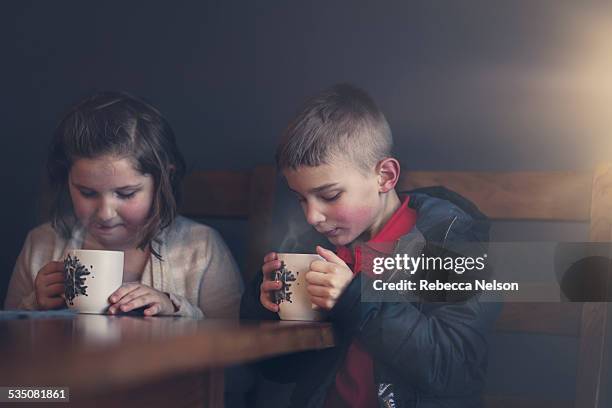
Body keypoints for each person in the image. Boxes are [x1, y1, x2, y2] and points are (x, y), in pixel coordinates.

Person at [241, 83, 500, 407]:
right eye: (300, 199)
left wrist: (353, 296)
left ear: (385, 176)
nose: (312, 216)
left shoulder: (450, 238)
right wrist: (266, 310)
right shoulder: (319, 248)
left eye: (330, 195)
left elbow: (453, 366)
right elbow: (280, 371)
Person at [5, 91, 243, 318]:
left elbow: (231, 338)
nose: (105, 213)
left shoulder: (200, 249)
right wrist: (35, 303)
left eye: (126, 193)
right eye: (87, 192)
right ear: (67, 179)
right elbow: (10, 341)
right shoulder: (42, 244)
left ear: (163, 181)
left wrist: (173, 308)